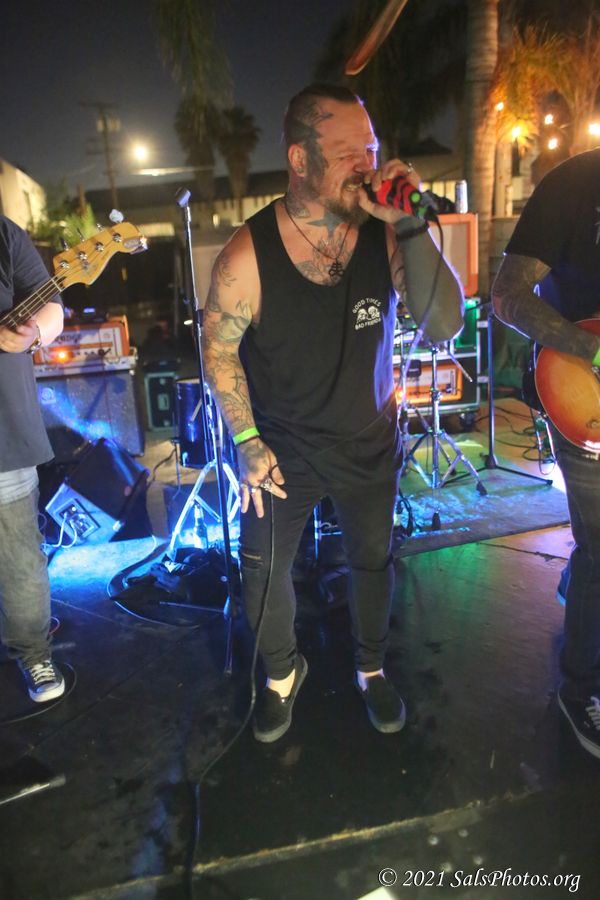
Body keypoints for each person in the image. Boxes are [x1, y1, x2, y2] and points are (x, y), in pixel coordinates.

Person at [202, 83, 464, 742]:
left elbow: (444, 325)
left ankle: (371, 669)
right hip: (281, 449)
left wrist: (411, 222)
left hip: (368, 440)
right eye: (349, 152)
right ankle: (281, 675)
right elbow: (219, 350)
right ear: (300, 159)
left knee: (373, 562)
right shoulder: (246, 254)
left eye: (370, 149)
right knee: (262, 572)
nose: (366, 164)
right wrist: (246, 440)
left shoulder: (388, 234)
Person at [492, 147, 600, 760]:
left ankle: (579, 590)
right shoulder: (573, 184)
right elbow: (508, 295)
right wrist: (590, 350)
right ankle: (581, 688)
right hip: (582, 387)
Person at [0, 215, 65, 702]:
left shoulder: (4, 235)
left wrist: (33, 334)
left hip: (4, 431)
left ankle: (34, 654)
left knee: (20, 559)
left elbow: (51, 305)